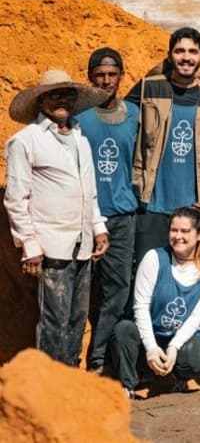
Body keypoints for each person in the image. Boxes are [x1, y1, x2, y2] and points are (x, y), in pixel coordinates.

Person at [4, 69, 110, 366]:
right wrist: (30, 246)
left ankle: (70, 382)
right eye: (55, 95)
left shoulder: (80, 139)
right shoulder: (26, 141)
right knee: (54, 321)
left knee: (77, 319)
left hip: (82, 245)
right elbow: (16, 199)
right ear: (41, 101)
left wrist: (97, 227)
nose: (62, 101)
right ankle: (49, 389)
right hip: (52, 246)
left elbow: (88, 191)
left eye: (68, 95)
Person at [74, 48, 141, 373]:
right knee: (81, 291)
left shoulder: (134, 115)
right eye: (99, 75)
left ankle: (98, 359)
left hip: (122, 218)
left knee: (118, 290)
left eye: (112, 74)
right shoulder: (78, 117)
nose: (106, 80)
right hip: (84, 218)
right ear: (90, 77)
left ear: (121, 76)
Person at [128, 27, 200, 260]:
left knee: (187, 273)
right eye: (179, 51)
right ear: (169, 56)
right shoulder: (149, 88)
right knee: (146, 271)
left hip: (193, 205)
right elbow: (121, 115)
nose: (186, 57)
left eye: (193, 51)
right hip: (152, 204)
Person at [111, 204, 200, 398]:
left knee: (198, 358)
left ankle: (177, 378)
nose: (178, 236)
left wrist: (173, 347)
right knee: (123, 330)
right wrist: (152, 348)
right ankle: (128, 386)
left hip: (178, 340)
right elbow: (141, 307)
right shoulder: (155, 258)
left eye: (185, 231)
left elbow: (196, 318)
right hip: (147, 336)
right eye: (173, 230)